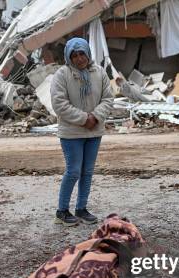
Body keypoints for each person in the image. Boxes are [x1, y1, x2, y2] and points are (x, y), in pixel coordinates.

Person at [50, 37, 113, 226]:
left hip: (94, 131)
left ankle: (81, 209)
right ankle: (62, 211)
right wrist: (84, 118)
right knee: (73, 171)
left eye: (82, 54)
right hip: (71, 132)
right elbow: (59, 104)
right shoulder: (62, 75)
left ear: (88, 53)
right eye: (74, 55)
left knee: (87, 172)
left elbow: (108, 99)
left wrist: (95, 117)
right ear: (69, 57)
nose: (79, 59)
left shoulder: (99, 73)